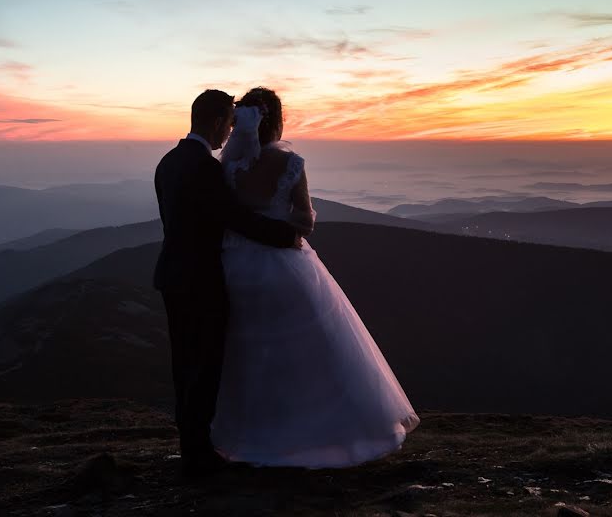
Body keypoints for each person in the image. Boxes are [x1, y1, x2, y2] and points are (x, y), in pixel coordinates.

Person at [210, 87, 419, 467]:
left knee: (247, 356)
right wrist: (279, 224)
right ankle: (311, 434)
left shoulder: (230, 167)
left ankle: (254, 435)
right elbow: (304, 221)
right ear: (276, 121)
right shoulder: (291, 164)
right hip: (282, 268)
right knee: (301, 356)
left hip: (235, 268)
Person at [153, 89, 299, 478]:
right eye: (228, 125)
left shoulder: (168, 161)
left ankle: (192, 448)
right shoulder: (204, 167)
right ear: (218, 122)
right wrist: (286, 236)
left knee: (184, 365)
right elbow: (234, 216)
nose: (230, 134)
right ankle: (199, 456)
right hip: (201, 280)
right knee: (204, 367)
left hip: (171, 275)